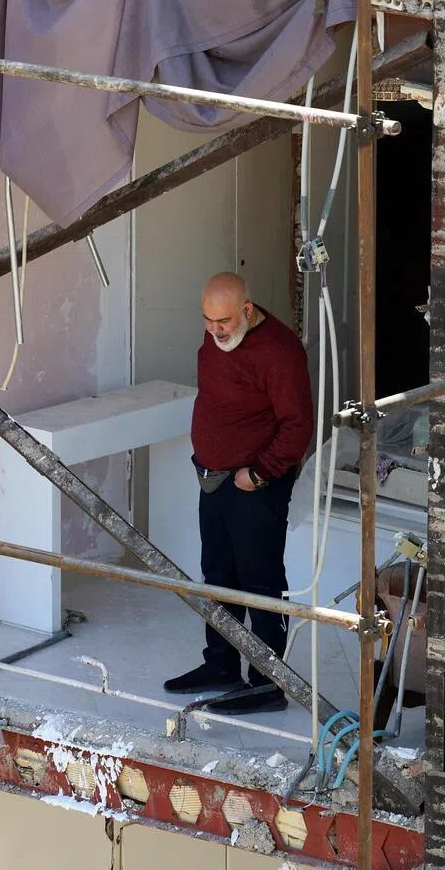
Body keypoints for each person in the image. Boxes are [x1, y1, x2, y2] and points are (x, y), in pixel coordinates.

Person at [164, 272, 313, 714]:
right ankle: (222, 665)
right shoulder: (219, 337)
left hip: (255, 486)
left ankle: (267, 684)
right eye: (208, 321)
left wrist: (261, 474)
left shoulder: (280, 352)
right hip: (214, 479)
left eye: (224, 320)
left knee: (260, 583)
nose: (216, 330)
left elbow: (298, 427)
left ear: (248, 310)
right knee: (218, 575)